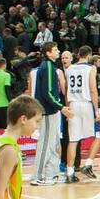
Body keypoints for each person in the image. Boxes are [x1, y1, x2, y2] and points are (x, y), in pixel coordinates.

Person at [31, 43, 71, 186]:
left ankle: (52, 173)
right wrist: (61, 107)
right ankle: (38, 176)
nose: (58, 51)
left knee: (54, 143)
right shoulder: (47, 67)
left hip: (51, 111)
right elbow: (47, 92)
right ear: (48, 53)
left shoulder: (49, 66)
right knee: (45, 144)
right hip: (47, 111)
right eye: (55, 50)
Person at [64, 46, 100, 182]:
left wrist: (67, 108)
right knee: (99, 134)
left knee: (73, 140)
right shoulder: (90, 68)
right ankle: (88, 164)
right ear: (89, 55)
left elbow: (66, 89)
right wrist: (96, 110)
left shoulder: (69, 69)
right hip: (86, 104)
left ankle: (69, 173)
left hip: (73, 105)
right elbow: (92, 89)